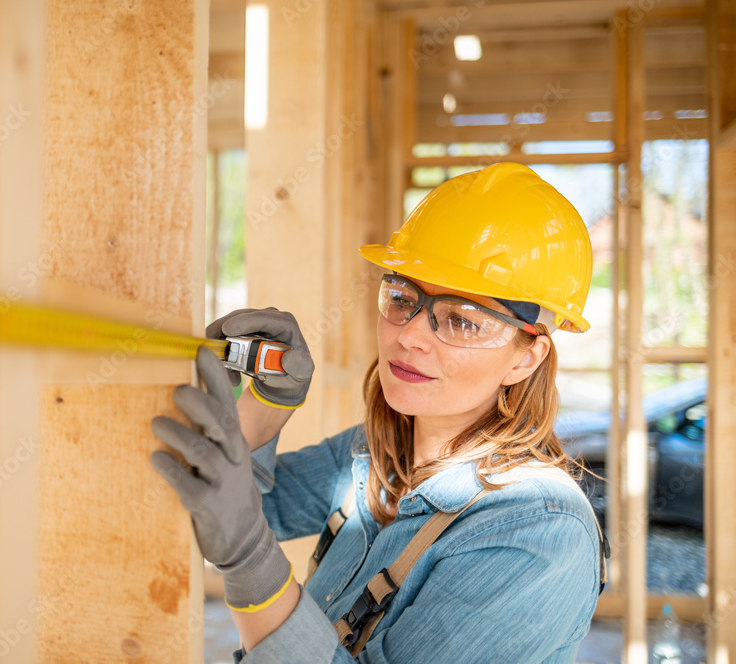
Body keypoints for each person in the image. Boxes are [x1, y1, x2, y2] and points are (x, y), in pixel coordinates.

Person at [150, 162, 606, 662]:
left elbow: (241, 533)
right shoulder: (372, 455)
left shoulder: (535, 530)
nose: (408, 335)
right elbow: (224, 510)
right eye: (403, 297)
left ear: (525, 356)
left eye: (461, 320)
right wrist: (263, 407)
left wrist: (250, 561)